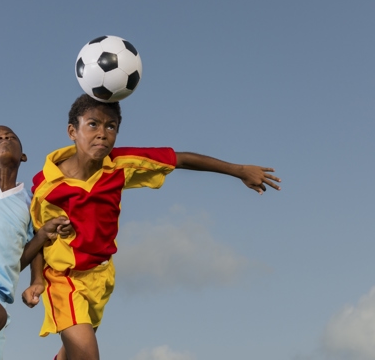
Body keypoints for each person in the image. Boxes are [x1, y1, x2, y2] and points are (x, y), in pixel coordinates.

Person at [23, 94, 281, 360]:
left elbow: (178, 159)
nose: (102, 133)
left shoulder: (120, 165)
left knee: (72, 353)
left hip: (101, 276)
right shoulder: (47, 185)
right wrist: (37, 280)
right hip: (64, 278)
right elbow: (39, 234)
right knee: (88, 354)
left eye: (111, 127)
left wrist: (238, 170)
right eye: (93, 124)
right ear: (72, 131)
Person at [0, 126, 72, 360]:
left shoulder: (30, 204)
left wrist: (41, 238)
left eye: (10, 137)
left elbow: (17, 260)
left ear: (23, 156)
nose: (3, 139)